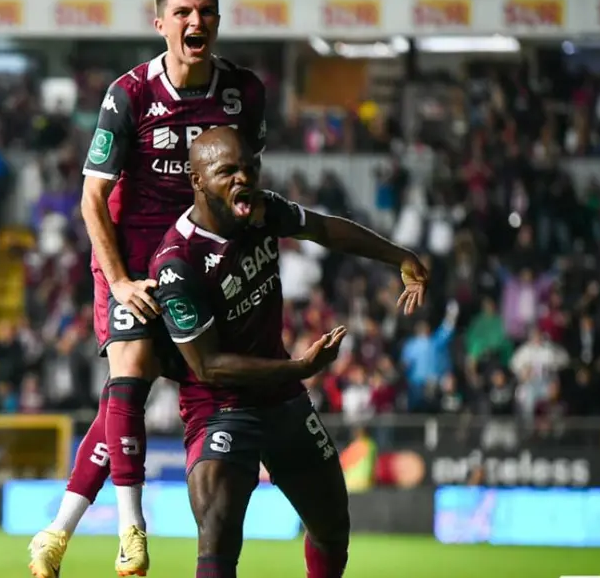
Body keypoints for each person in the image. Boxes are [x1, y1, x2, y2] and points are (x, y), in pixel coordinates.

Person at [29, 0, 267, 576]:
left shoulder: (246, 94)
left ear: (217, 21)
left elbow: (245, 188)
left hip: (198, 267)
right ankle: (132, 530)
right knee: (129, 375)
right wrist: (119, 281)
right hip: (130, 262)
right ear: (161, 22)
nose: (195, 20)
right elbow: (92, 198)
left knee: (120, 410)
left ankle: (57, 530)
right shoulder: (129, 94)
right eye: (182, 11)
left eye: (205, 11)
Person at [148, 127, 428, 578]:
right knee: (218, 538)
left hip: (282, 398)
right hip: (221, 409)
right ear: (196, 180)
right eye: (227, 172)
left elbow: (322, 228)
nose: (244, 178)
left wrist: (398, 256)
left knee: (333, 525)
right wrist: (299, 367)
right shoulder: (178, 263)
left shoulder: (262, 212)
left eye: (249, 167)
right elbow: (209, 365)